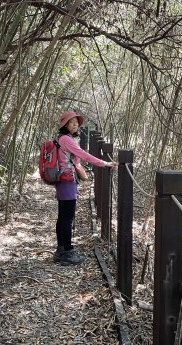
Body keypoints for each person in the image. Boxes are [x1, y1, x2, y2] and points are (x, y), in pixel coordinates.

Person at [54, 110, 117, 265]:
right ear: (65, 125)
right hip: (67, 180)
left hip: (63, 180)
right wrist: (104, 163)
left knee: (63, 216)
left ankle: (61, 250)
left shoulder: (63, 139)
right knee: (67, 218)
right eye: (71, 122)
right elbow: (84, 155)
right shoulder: (66, 140)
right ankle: (67, 253)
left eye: (76, 122)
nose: (75, 125)